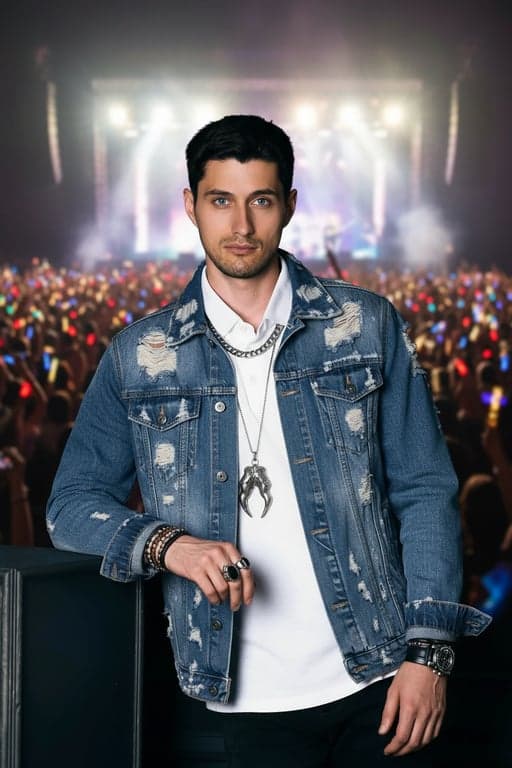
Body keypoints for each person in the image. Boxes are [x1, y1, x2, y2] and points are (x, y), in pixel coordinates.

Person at [47, 115, 490, 767]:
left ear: (289, 206)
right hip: (224, 702)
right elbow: (70, 506)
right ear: (190, 206)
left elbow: (425, 491)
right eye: (221, 200)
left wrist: (429, 653)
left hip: (378, 684)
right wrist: (170, 546)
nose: (241, 226)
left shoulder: (365, 326)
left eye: (261, 200)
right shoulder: (140, 355)